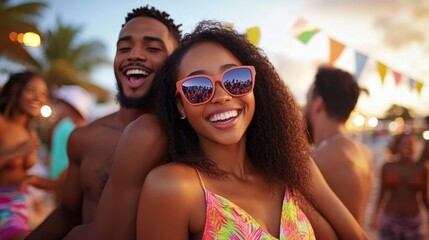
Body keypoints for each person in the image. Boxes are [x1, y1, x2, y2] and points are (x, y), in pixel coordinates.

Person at [137, 21, 368, 240]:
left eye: (236, 79)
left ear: (255, 88)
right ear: (181, 106)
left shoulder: (289, 171)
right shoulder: (173, 187)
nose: (222, 96)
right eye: (198, 87)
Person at [26, 6, 181, 240]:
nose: (134, 55)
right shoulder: (84, 138)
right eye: (124, 48)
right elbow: (68, 213)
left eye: (152, 48)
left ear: (175, 63)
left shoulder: (184, 141)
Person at [304, 66, 373, 226]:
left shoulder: (318, 160)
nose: (303, 109)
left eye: (307, 101)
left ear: (318, 104)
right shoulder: (364, 153)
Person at [0, 70, 49, 240]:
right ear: (16, 91)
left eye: (43, 93)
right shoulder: (2, 123)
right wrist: (17, 152)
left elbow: (23, 174)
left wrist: (35, 198)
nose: (38, 97)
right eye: (31, 90)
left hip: (19, 204)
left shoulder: (31, 133)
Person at [371, 132, 429, 239]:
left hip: (413, 220)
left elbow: (425, 198)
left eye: (410, 143)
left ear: (415, 147)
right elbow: (381, 194)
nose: (407, 146)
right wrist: (375, 216)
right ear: (397, 146)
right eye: (404, 143)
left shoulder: (421, 168)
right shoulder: (388, 167)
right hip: (390, 218)